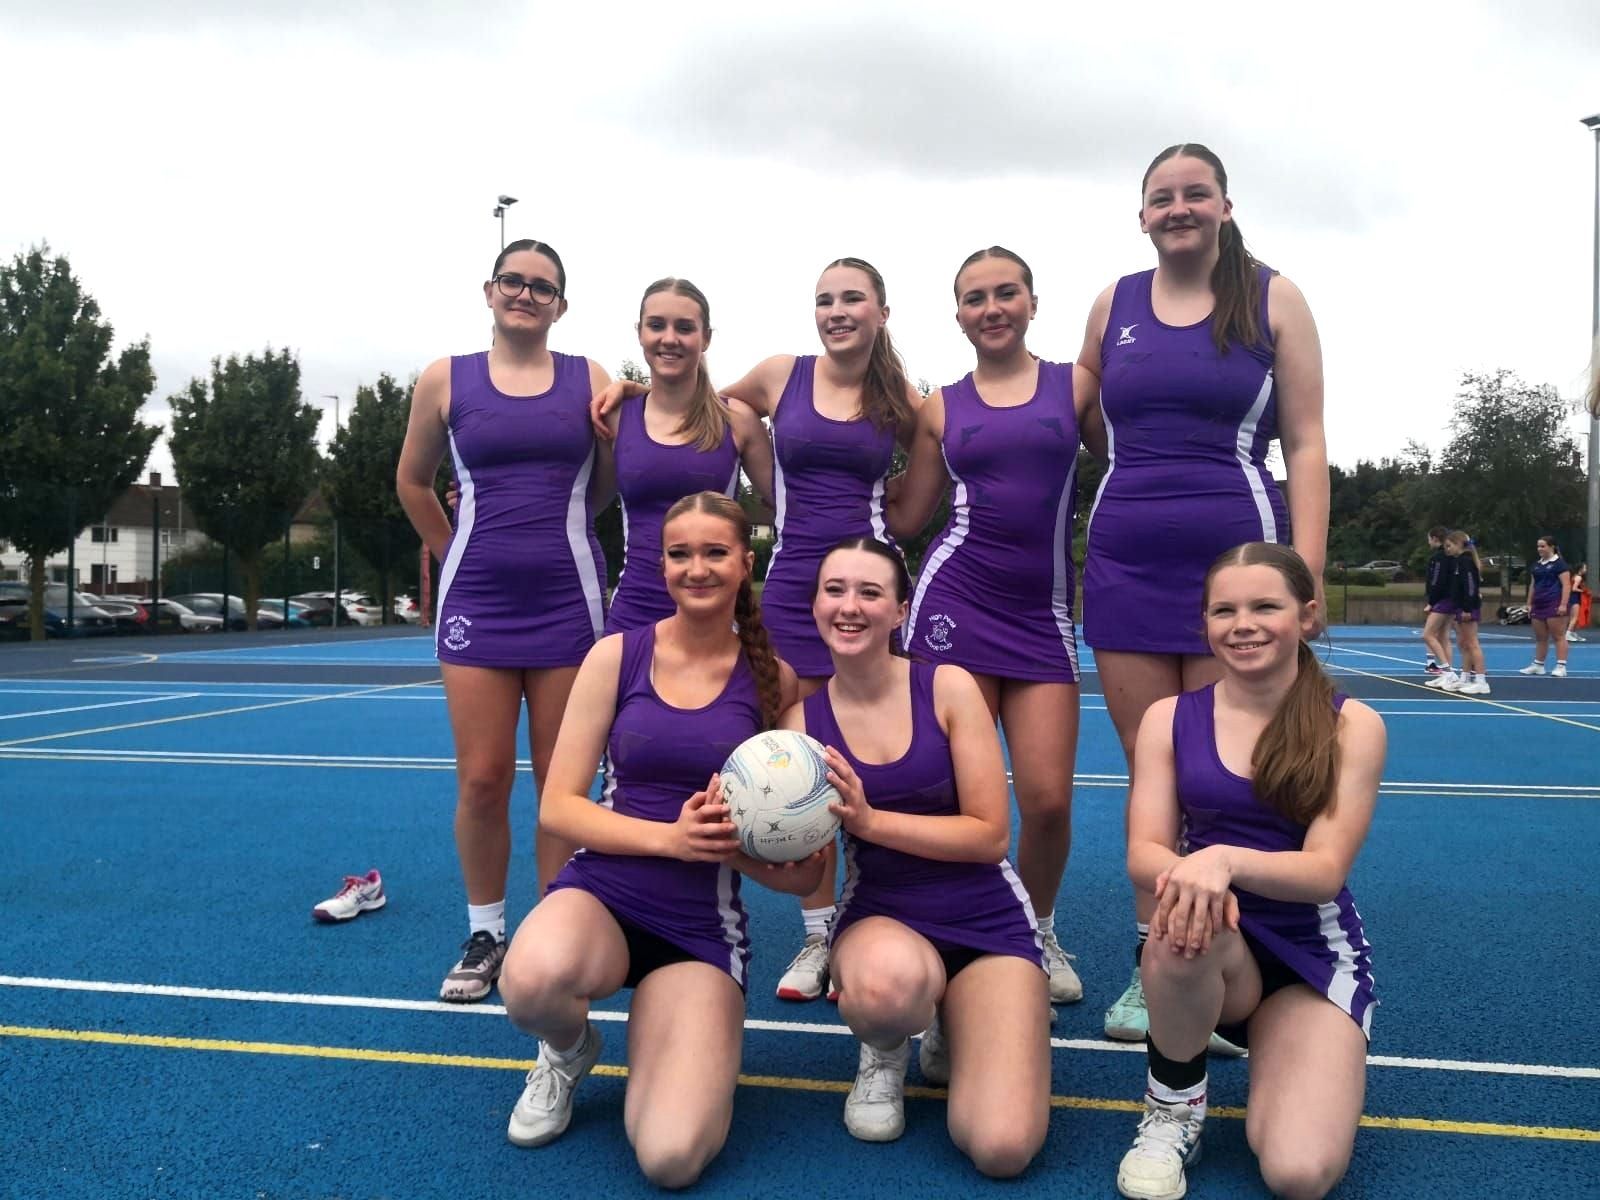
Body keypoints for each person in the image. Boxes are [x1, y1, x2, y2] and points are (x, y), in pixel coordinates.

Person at [593, 257, 921, 1005]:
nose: (837, 311)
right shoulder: (777, 376)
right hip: (791, 592)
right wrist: (640, 387)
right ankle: (815, 935)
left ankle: (884, 920)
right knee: (789, 761)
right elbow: (694, 403)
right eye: (825, 299)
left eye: (853, 299)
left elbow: (940, 451)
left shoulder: (897, 397)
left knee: (870, 758)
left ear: (881, 311)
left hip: (863, 587)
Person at [1074, 143, 1329, 1046]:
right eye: (1161, 198)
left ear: (1224, 205)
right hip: (1126, 563)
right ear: (1141, 214)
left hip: (1242, 572)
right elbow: (1061, 417)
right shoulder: (1114, 304)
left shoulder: (1273, 296)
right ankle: (1159, 960)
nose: (1178, 208)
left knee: (1239, 779)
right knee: (1160, 779)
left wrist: (1308, 573)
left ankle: (1251, 951)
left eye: (1195, 194)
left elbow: (1304, 443)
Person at [496, 492, 816, 1187]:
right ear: (659, 563)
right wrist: (669, 839)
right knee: (527, 982)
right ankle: (569, 1048)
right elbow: (558, 807)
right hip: (603, 897)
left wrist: (742, 847)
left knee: (669, 1158)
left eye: (714, 552)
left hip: (699, 932)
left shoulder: (776, 683)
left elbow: (801, 879)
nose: (695, 569)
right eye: (679, 554)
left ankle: (668, 1036)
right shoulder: (616, 656)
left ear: (744, 564)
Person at [1116, 542, 1383, 1200]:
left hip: (1309, 957)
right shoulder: (1170, 718)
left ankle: (1289, 1048)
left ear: (1308, 616)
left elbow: (1323, 871)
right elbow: (1143, 853)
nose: (1244, 624)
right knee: (1181, 923)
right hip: (1212, 941)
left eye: (1267, 606)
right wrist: (1194, 877)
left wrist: (1224, 859)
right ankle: (1173, 1107)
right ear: (1205, 624)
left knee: (1299, 1174)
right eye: (1224, 610)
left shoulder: (1353, 725)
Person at [784, 536, 1049, 1175]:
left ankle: (954, 1022)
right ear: (816, 604)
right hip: (882, 915)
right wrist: (742, 844)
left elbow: (990, 836)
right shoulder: (800, 726)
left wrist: (871, 820)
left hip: (986, 919)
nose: (850, 607)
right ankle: (884, 1049)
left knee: (1003, 1148)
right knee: (885, 989)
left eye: (870, 592)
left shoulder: (948, 687)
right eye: (835, 590)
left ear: (901, 610)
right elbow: (811, 868)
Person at [396, 238, 614, 1002]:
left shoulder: (592, 379)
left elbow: (612, 482)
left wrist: (553, 529)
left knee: (562, 781)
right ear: (489, 291)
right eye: (514, 282)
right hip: (478, 604)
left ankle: (556, 925)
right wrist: (458, 550)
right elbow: (412, 482)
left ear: (561, 303)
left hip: (568, 600)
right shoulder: (443, 380)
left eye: (542, 286)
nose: (526, 294)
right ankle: (488, 930)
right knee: (485, 779)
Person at [887, 246, 1087, 1006]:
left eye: (1007, 293)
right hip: (953, 605)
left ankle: (1033, 929)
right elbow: (908, 515)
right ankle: (933, 926)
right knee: (943, 792)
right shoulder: (941, 405)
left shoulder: (1080, 388)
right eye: (975, 298)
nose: (992, 308)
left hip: (1042, 614)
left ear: (1033, 301)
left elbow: (1138, 459)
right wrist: (807, 499)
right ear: (959, 313)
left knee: (1046, 801)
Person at [602, 278, 774, 633]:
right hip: (634, 614)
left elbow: (792, 503)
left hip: (716, 621)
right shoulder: (616, 416)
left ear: (705, 337)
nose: (669, 338)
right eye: (656, 325)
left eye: (684, 327)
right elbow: (568, 494)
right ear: (640, 332)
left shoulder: (736, 420)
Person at [1437, 531, 1488, 695]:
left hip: (1468, 608)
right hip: (1460, 607)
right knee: (1464, 644)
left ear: (1458, 544)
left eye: (1449, 546)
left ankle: (1481, 681)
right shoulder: (1458, 561)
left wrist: (1467, 608)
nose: (1447, 549)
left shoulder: (1465, 562)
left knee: (1472, 643)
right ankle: (1465, 677)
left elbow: (1471, 587)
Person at [1519, 536, 1571, 678]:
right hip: (1538, 604)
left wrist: (1563, 604)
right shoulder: (1536, 565)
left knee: (1558, 636)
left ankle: (1561, 666)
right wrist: (1529, 603)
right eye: (1538, 546)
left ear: (1552, 546)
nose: (1540, 549)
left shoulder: (1560, 564)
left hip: (1554, 602)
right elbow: (1533, 585)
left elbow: (1566, 585)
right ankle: (1538, 665)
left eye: (1543, 546)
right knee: (1541, 637)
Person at [1420, 526, 1457, 676]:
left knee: (1427, 634)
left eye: (1429, 539)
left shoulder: (1439, 558)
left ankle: (1447, 671)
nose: (1428, 542)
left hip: (1442, 600)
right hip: (1451, 599)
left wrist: (1431, 602)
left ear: (1435, 539)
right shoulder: (1452, 556)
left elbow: (1437, 581)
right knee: (1443, 636)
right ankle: (1448, 671)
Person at [1565, 561, 1587, 643]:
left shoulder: (1575, 576)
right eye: (1585, 568)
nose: (1586, 569)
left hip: (1572, 598)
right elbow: (1574, 588)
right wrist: (1583, 591)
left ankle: (1573, 633)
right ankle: (1568, 634)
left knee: (1573, 617)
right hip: (1574, 598)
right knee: (1575, 617)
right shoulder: (1579, 577)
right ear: (1581, 569)